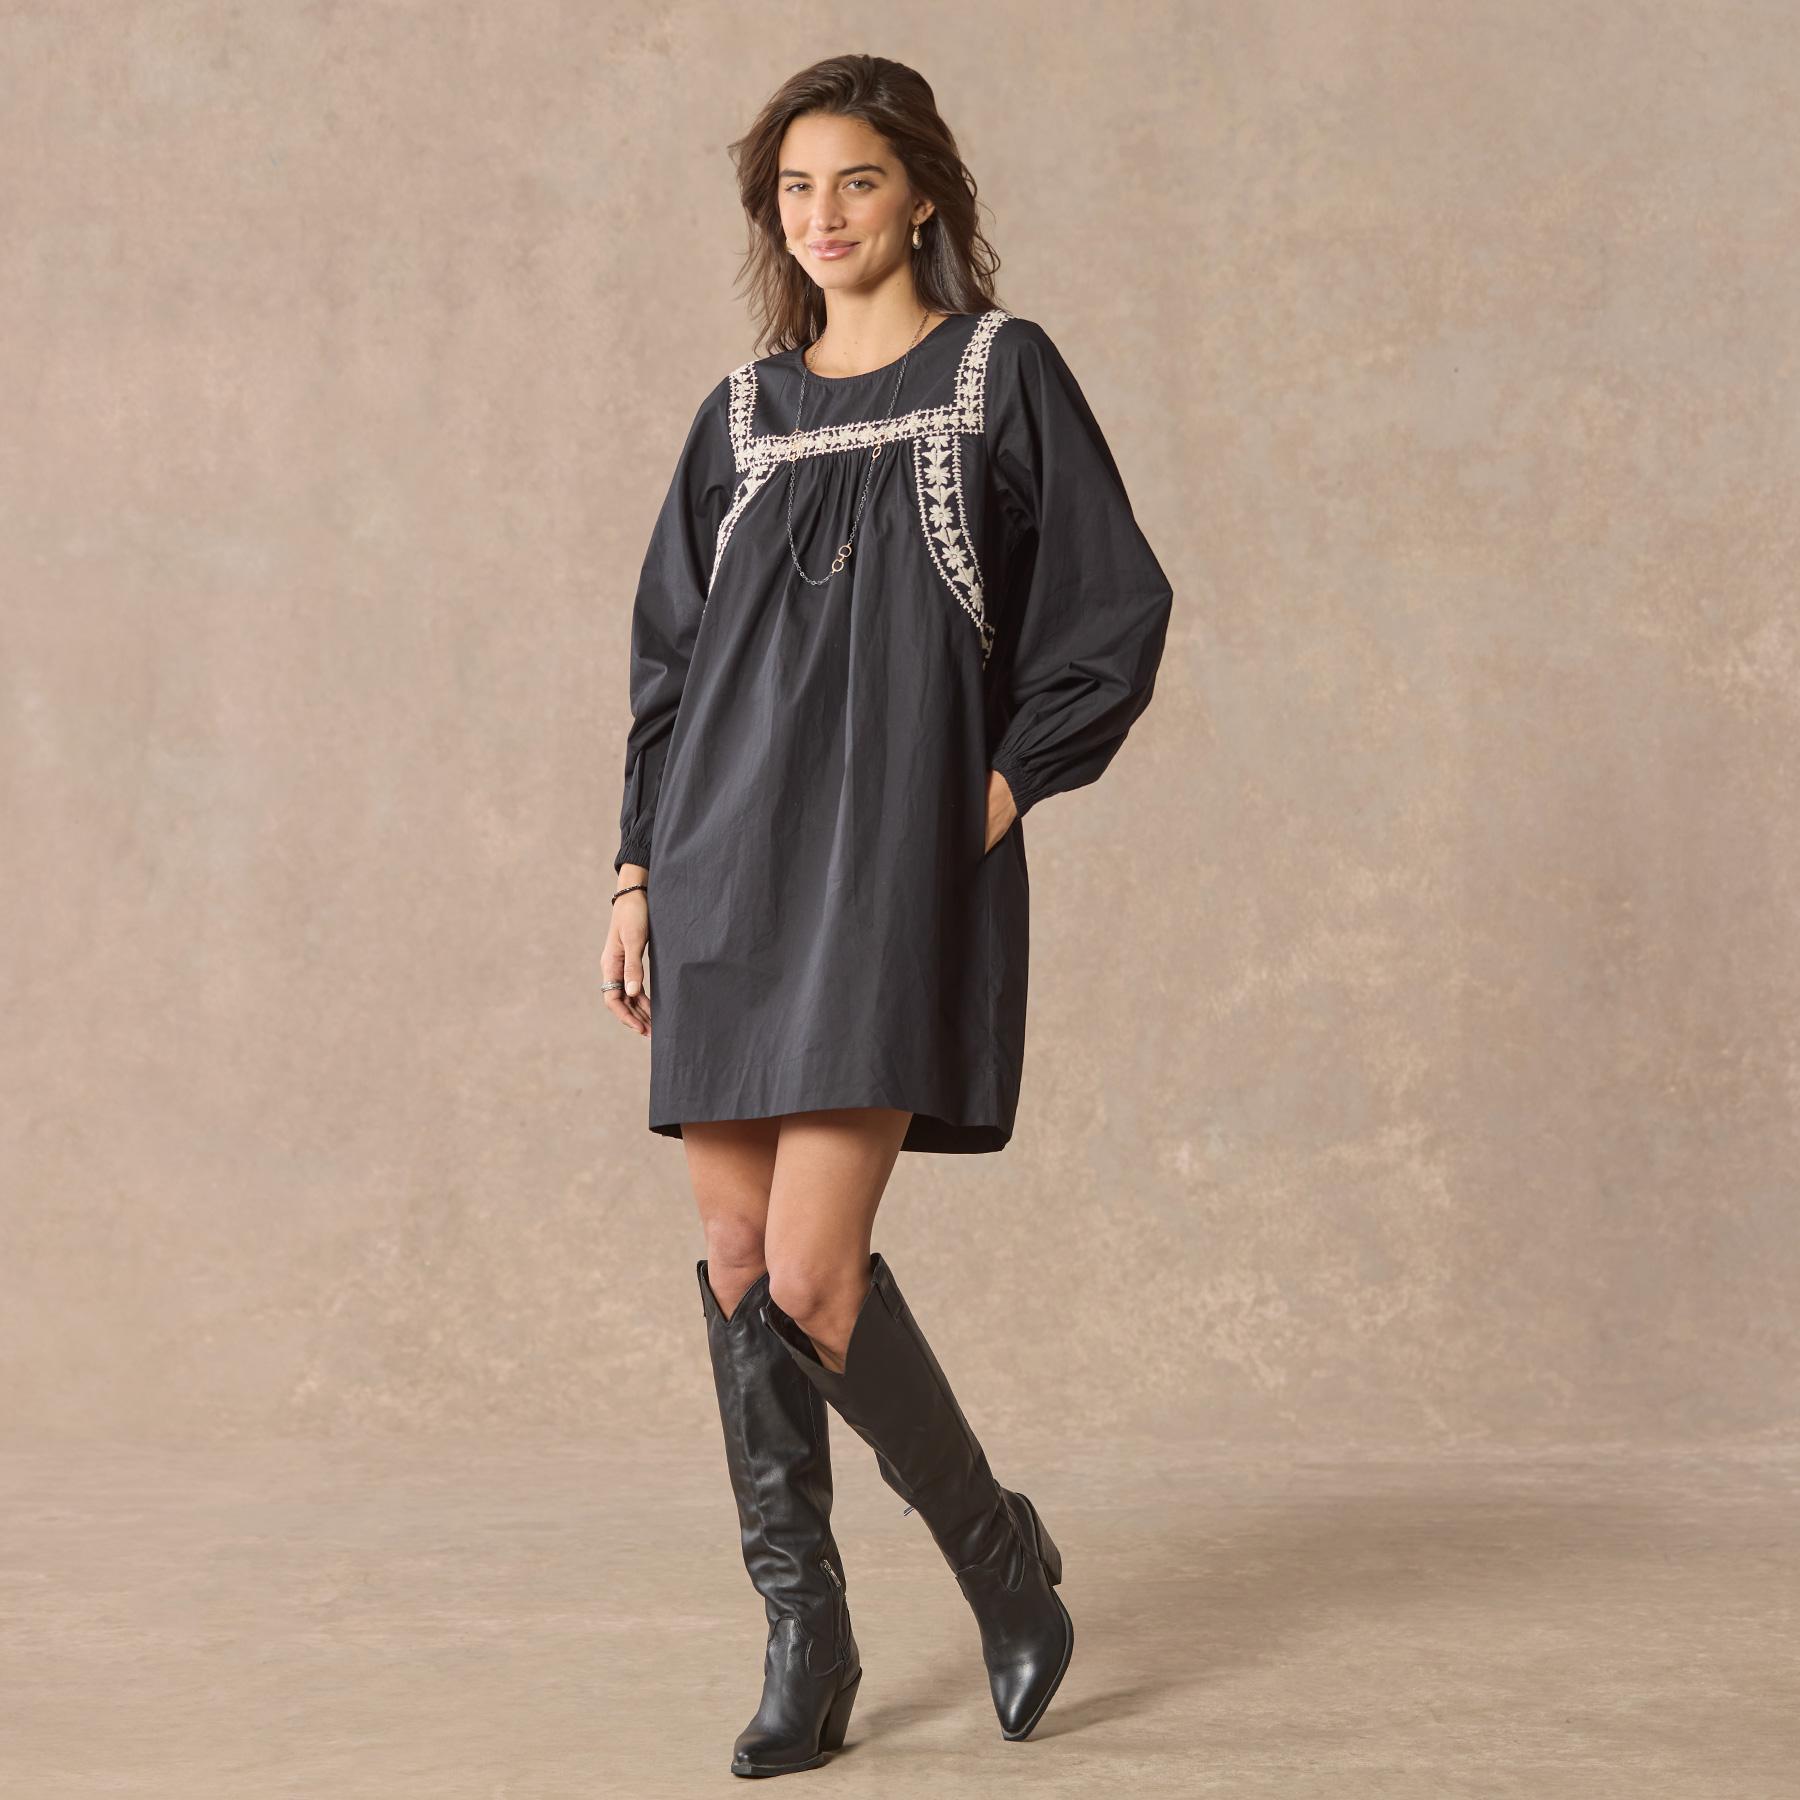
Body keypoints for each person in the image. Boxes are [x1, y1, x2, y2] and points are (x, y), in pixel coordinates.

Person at [600, 54, 1174, 1779]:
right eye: (794, 189)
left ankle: (1004, 1569)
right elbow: (668, 672)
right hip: (721, 870)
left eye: (855, 179)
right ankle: (809, 1638)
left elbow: (1113, 611)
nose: (823, 216)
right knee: (734, 1266)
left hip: (878, 882)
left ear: (921, 190)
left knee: (813, 1274)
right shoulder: (741, 416)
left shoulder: (1000, 374)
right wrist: (633, 873)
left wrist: (990, 800)